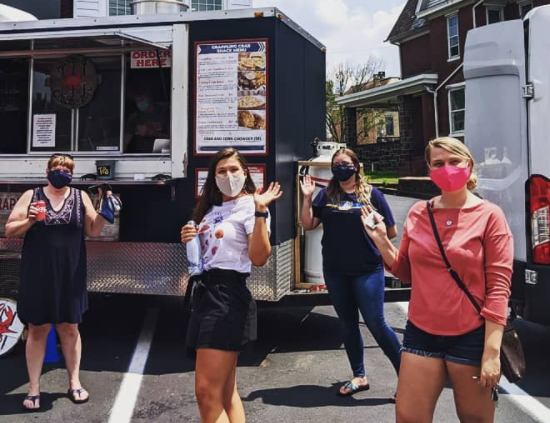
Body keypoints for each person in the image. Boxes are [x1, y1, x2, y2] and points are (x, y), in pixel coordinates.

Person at [362, 137, 513, 423]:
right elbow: (405, 271)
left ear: (469, 166)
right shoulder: (420, 212)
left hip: (472, 336)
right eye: (438, 163)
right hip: (422, 332)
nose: (447, 168)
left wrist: (491, 353)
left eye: (454, 161)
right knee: (408, 417)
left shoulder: (490, 216)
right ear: (430, 170)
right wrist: (382, 241)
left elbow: (499, 287)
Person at [180, 147, 282, 423]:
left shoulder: (251, 206)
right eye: (221, 171)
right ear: (213, 177)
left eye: (234, 169)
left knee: (205, 392)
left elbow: (259, 258)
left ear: (245, 172)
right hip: (205, 292)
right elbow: (209, 253)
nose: (228, 175)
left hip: (228, 296)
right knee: (225, 391)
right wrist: (189, 236)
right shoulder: (210, 209)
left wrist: (261, 212)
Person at [6, 153, 109, 411]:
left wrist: (106, 211)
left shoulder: (80, 197)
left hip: (71, 274)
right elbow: (9, 230)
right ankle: (34, 388)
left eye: (67, 168)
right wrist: (29, 220)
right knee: (38, 329)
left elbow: (93, 231)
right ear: (47, 170)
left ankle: (74, 382)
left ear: (72, 173)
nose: (61, 171)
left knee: (70, 328)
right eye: (57, 167)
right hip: (37, 274)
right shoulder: (32, 196)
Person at [300, 147, 401, 398]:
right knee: (347, 325)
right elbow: (309, 224)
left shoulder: (372, 195)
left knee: (376, 324)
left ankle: (407, 377)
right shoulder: (326, 195)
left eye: (345, 163)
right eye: (336, 164)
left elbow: (391, 232)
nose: (340, 167)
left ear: (356, 166)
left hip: (367, 270)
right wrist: (306, 198)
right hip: (335, 271)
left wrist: (373, 226)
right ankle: (359, 376)